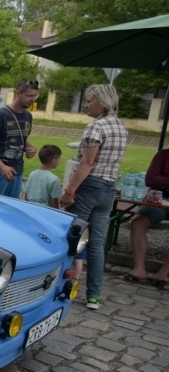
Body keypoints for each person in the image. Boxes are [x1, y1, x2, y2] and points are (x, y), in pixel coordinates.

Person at [59, 84, 128, 310]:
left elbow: (86, 163)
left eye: (89, 101)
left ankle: (62, 285)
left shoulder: (95, 128)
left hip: (89, 186)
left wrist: (70, 191)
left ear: (102, 102)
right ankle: (94, 296)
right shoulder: (121, 128)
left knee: (72, 237)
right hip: (108, 187)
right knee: (97, 242)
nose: (86, 104)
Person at [0, 79, 39, 198]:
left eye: (35, 96)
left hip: (17, 171)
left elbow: (18, 137)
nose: (32, 99)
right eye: (29, 96)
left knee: (10, 210)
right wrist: (1, 166)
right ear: (18, 93)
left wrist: (30, 148)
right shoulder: (1, 115)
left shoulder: (28, 116)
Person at [122, 148, 169, 290]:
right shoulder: (164, 155)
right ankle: (139, 270)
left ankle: (163, 274)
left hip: (162, 193)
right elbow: (150, 179)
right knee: (137, 222)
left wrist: (163, 180)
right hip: (159, 199)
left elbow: (157, 179)